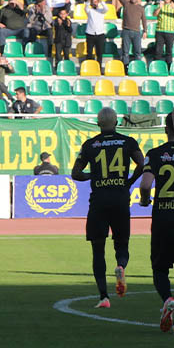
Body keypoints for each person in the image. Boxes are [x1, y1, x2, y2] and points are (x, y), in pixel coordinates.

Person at [70, 106, 144, 308]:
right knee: (122, 244)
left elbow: (75, 173)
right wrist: (129, 182)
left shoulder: (90, 144)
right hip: (120, 198)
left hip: (99, 200)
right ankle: (121, 265)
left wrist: (92, 176)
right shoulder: (128, 142)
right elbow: (143, 163)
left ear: (98, 123)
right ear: (117, 122)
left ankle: (104, 297)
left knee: (98, 250)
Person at [138, 118, 174, 334]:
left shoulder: (156, 153)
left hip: (163, 218)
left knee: (160, 268)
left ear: (166, 129)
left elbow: (146, 184)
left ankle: (167, 298)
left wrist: (144, 200)